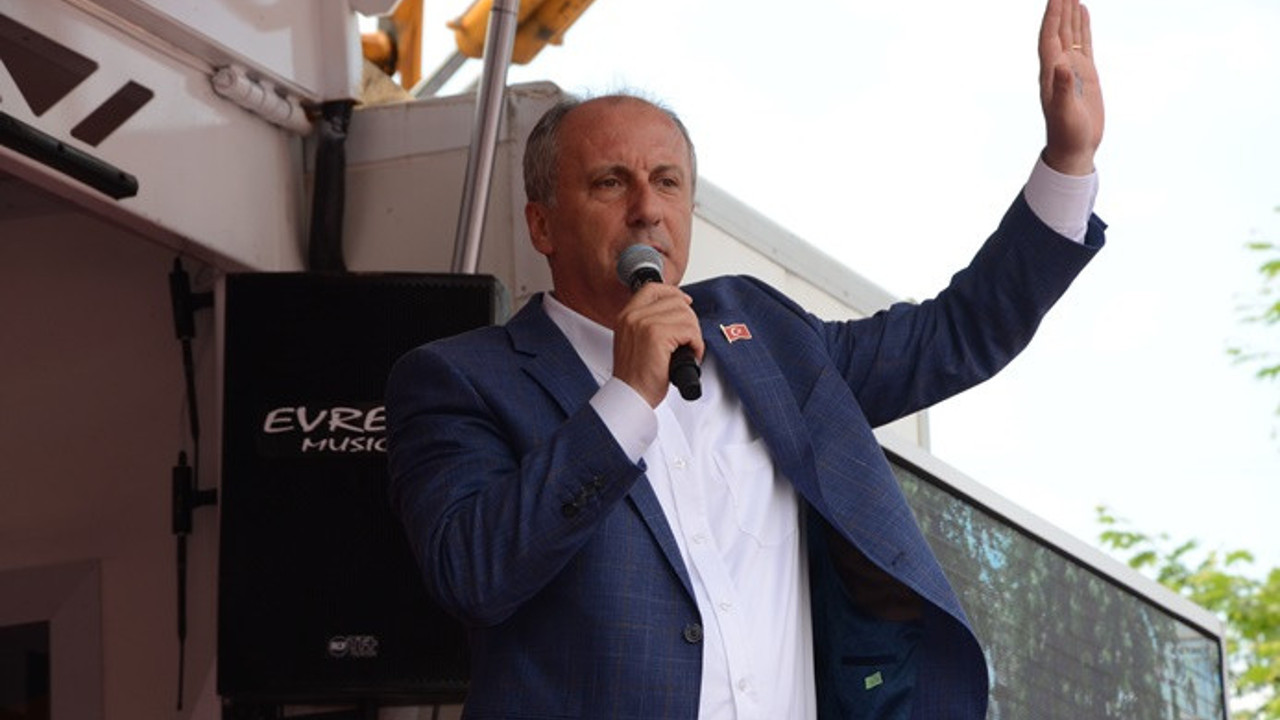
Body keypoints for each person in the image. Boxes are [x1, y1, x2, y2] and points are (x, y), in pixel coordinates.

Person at [386, 0, 1104, 717]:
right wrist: (626, 398)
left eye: (668, 182)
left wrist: (1068, 163)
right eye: (610, 182)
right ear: (542, 225)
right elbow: (471, 574)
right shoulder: (460, 380)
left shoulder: (762, 335)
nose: (647, 208)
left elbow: (954, 336)